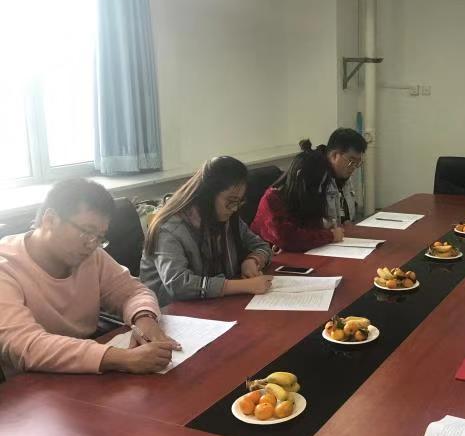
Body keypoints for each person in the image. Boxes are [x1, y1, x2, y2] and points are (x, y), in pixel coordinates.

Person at [0, 178, 180, 376]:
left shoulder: (90, 255)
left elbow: (133, 292)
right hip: (30, 382)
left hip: (88, 370)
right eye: (86, 232)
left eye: (100, 237)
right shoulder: (6, 267)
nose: (92, 244)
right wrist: (120, 358)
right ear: (50, 219)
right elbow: (24, 345)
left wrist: (143, 318)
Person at [140, 156, 273, 306]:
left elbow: (262, 246)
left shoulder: (227, 217)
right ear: (208, 195)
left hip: (213, 304)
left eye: (238, 202)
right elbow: (178, 285)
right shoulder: (169, 229)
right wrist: (242, 286)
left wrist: (252, 260)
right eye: (230, 201)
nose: (235, 208)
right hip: (170, 311)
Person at [250, 141, 345, 252]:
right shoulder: (271, 199)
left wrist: (325, 231)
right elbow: (288, 239)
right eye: (315, 185)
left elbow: (312, 229)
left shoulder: (308, 196)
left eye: (322, 185)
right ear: (300, 176)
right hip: (265, 257)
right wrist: (330, 235)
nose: (318, 191)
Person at [323, 127, 368, 224]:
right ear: (334, 156)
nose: (354, 167)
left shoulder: (344, 177)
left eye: (358, 163)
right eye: (351, 161)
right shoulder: (316, 180)